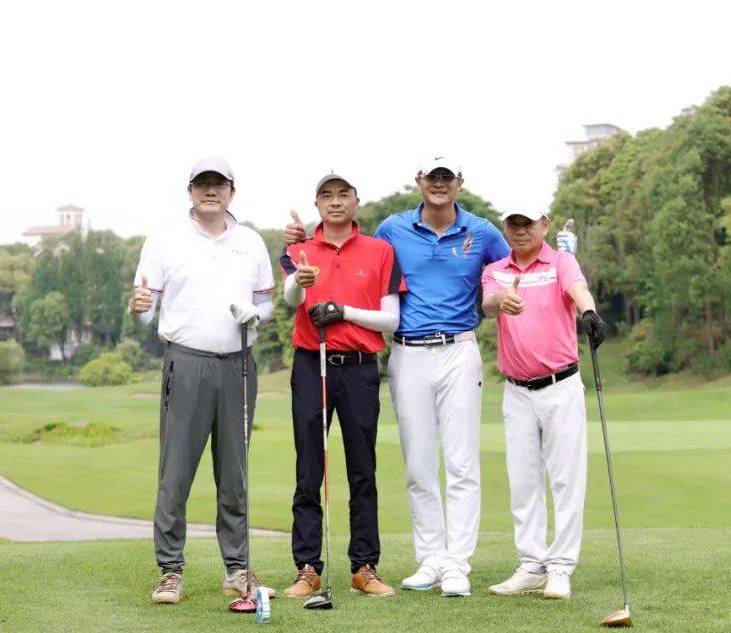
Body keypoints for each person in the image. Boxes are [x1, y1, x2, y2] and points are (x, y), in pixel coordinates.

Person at [286, 155, 508, 597]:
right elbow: (327, 256)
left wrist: (560, 261)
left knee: (459, 463)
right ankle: (430, 559)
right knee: (418, 464)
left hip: (456, 348)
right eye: (433, 176)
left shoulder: (481, 231)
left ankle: (454, 564)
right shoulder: (392, 229)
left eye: (447, 177)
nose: (440, 183)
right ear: (419, 180)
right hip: (402, 354)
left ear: (459, 182)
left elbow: (514, 267)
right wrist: (299, 239)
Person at [131, 157, 276, 605]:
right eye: (202, 185)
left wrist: (258, 315)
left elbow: (266, 302)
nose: (210, 191)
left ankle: (237, 569)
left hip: (239, 364)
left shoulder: (250, 241)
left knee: (234, 473)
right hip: (187, 363)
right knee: (175, 472)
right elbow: (147, 309)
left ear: (232, 191)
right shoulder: (166, 239)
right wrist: (140, 308)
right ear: (190, 191)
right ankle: (170, 570)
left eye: (218, 184)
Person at [278, 172, 404, 598]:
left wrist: (344, 311)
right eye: (326, 195)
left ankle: (364, 567)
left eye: (343, 194)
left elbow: (391, 320)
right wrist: (301, 281)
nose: (335, 201)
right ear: (316, 204)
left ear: (355, 201)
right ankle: (307, 567)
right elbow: (291, 300)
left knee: (362, 469)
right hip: (311, 364)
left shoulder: (380, 250)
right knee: (309, 469)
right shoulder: (299, 248)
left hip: (359, 367)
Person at [480, 207, 606, 600]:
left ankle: (561, 567)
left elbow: (577, 287)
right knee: (523, 481)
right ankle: (532, 565)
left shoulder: (561, 261)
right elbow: (487, 304)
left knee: (566, 479)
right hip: (517, 391)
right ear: (505, 228)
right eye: (513, 224)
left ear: (545, 225)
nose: (520, 231)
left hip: (560, 386)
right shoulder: (496, 270)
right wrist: (502, 300)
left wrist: (589, 312)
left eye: (528, 224)